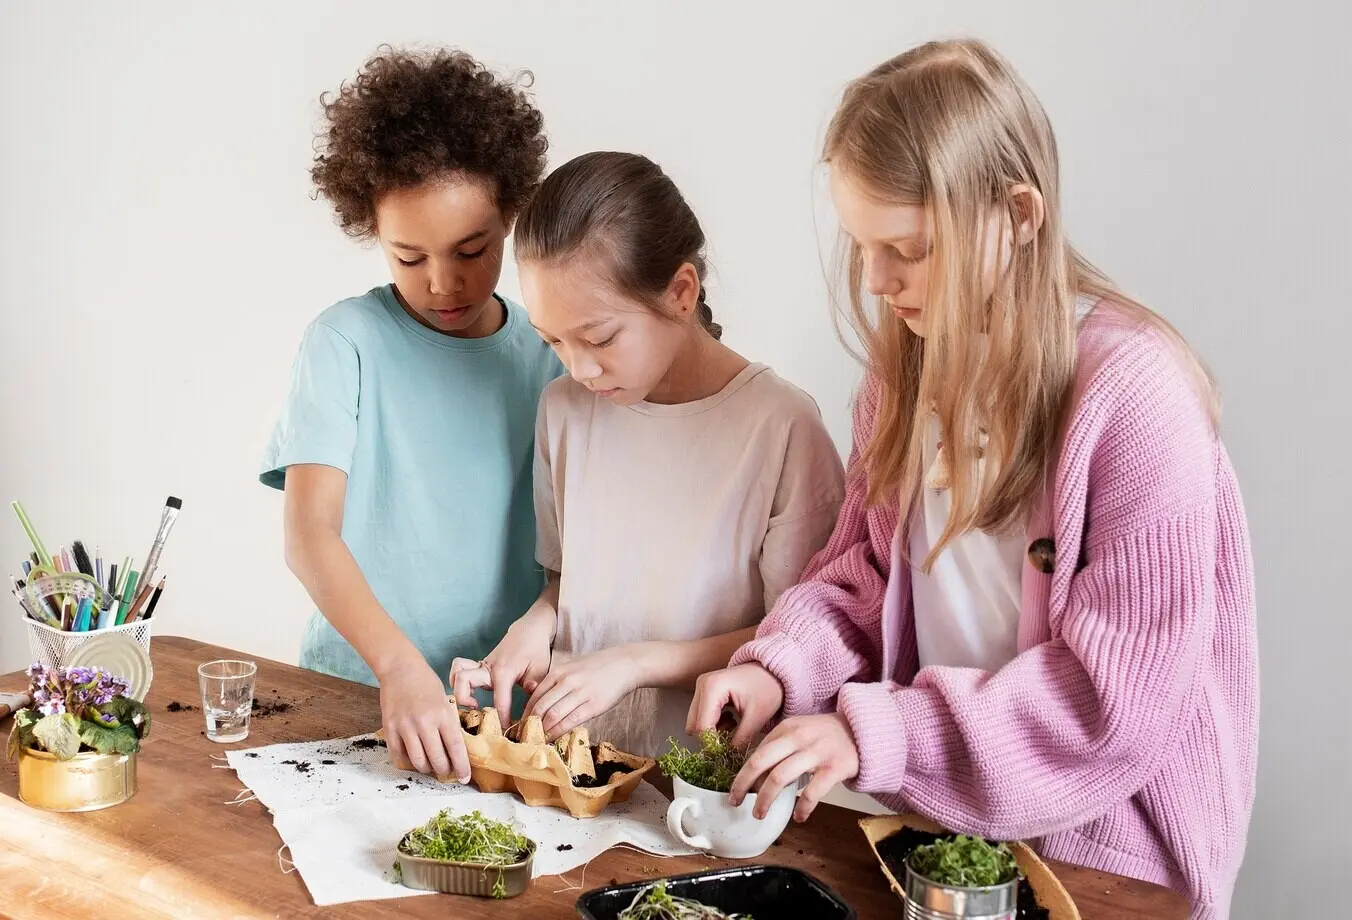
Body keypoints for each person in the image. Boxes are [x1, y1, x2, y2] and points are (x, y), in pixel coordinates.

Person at [687, 40, 1257, 919]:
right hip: (952, 845)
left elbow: (1106, 703)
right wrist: (777, 670)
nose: (876, 282)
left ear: (1018, 214)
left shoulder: (1138, 400)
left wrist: (873, 731)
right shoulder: (903, 377)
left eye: (907, 247)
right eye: (861, 245)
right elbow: (866, 579)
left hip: (1105, 863)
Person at [452, 151, 845, 758]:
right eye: (553, 340)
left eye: (600, 337)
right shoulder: (564, 409)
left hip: (706, 779)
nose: (580, 368)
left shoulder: (782, 427)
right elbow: (570, 582)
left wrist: (636, 663)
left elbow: (797, 640)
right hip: (579, 766)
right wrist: (534, 626)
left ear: (681, 292)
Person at [259, 48, 565, 783]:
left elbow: (581, 554)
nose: (441, 283)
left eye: (471, 249)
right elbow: (308, 534)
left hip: (499, 713)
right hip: (357, 692)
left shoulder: (552, 358)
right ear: (372, 231)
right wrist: (397, 666)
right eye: (407, 256)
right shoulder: (344, 343)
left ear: (511, 214)